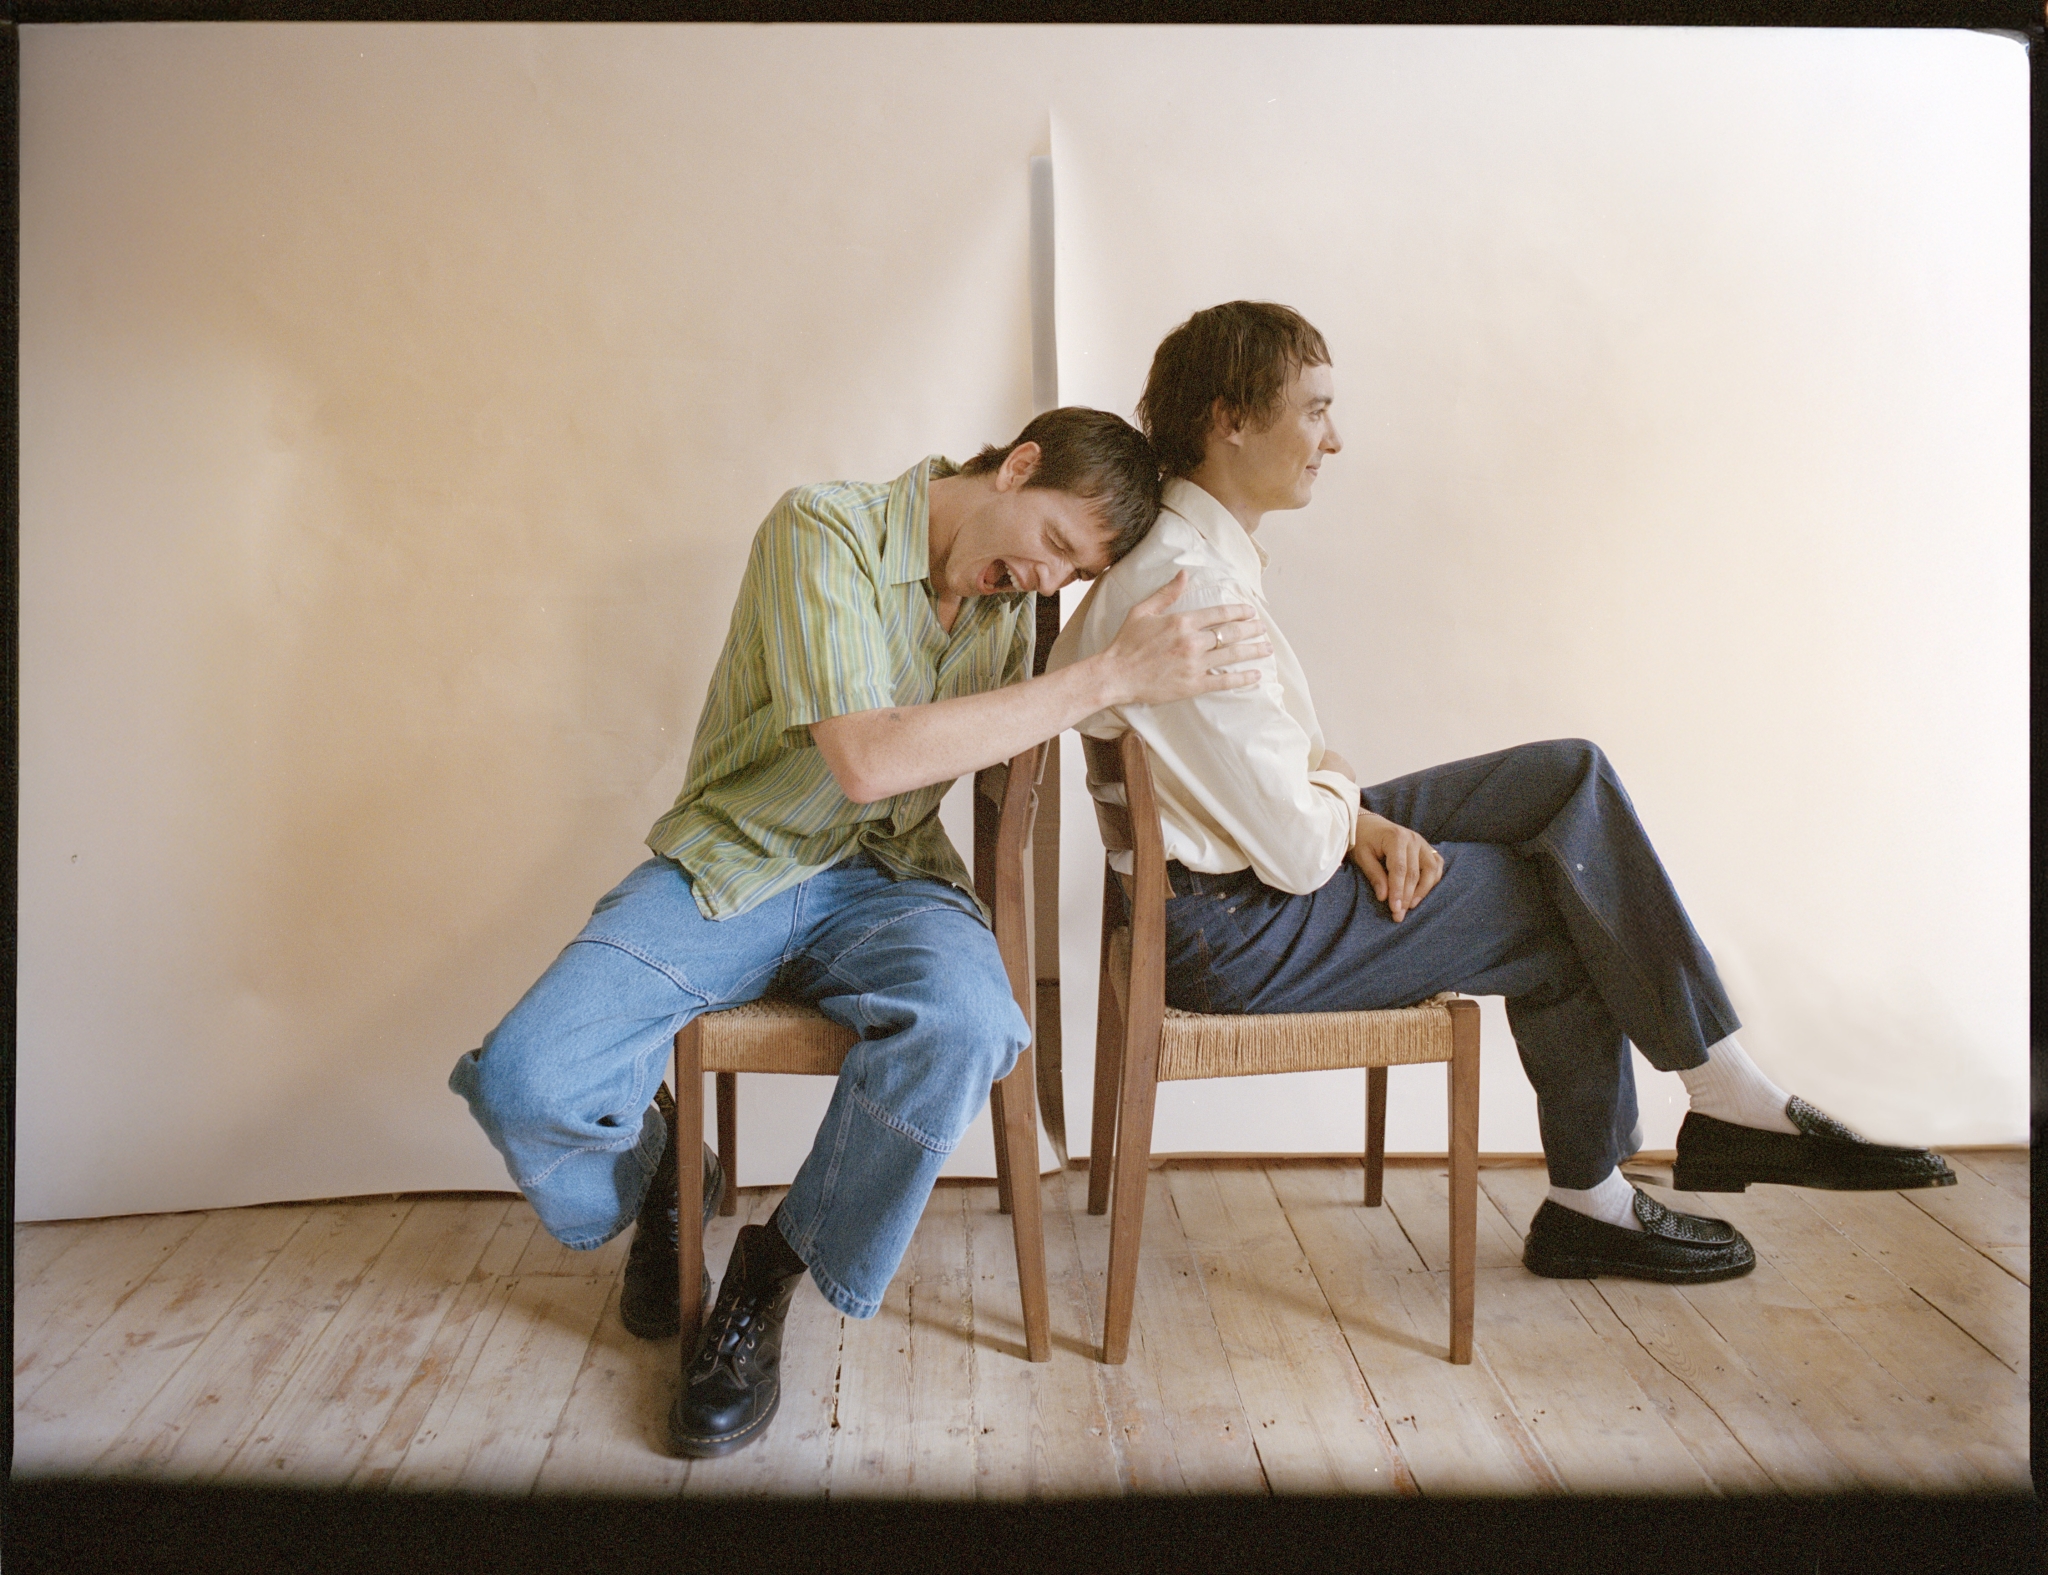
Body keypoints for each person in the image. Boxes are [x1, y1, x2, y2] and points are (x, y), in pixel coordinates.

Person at [1047, 302, 1953, 1285]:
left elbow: (1269, 787)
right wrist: (1342, 794)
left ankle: (1717, 1091)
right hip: (1237, 929)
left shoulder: (1182, 558)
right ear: (1229, 420)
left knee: (1565, 776)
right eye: (1313, 410)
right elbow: (1302, 849)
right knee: (1559, 897)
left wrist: (1343, 804)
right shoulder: (1196, 591)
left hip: (1227, 888)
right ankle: (1604, 1195)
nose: (1332, 439)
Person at [451, 406, 1271, 1458]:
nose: (1044, 578)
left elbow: (986, 759)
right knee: (528, 1078)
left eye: (1072, 572)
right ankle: (667, 1172)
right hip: (736, 861)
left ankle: (769, 1273)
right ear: (1016, 466)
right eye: (1054, 541)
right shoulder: (822, 530)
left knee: (972, 1023)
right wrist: (1103, 676)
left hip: (890, 882)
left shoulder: (1004, 606)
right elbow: (868, 762)